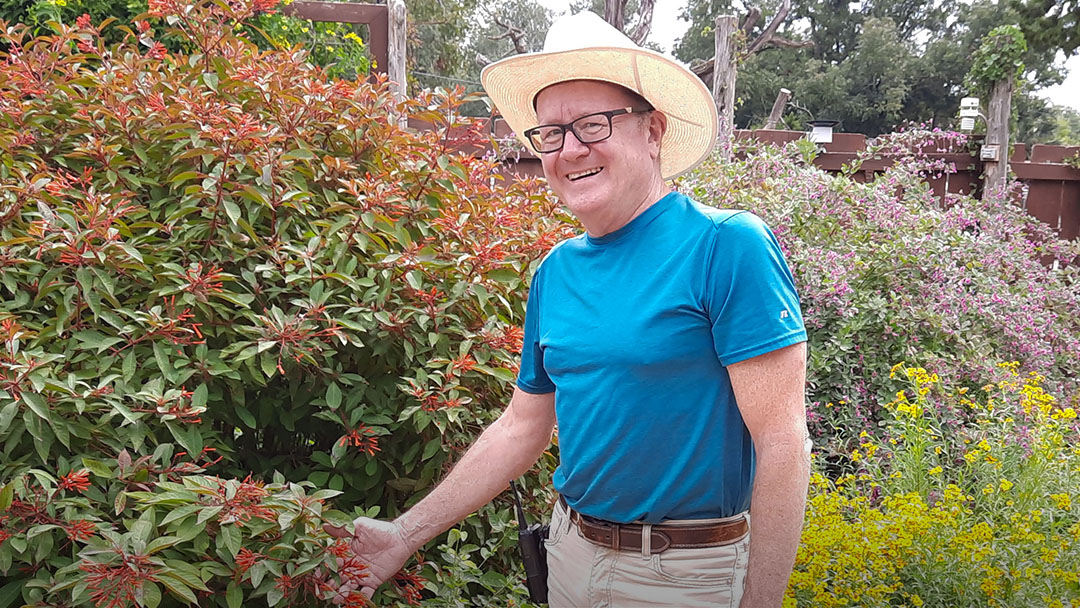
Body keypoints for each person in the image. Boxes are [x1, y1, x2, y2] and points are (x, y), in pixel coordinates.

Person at [326, 11, 810, 607]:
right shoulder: (555, 271)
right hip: (569, 555)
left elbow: (784, 440)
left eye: (593, 124)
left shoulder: (726, 246)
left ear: (652, 130)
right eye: (551, 133)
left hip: (685, 577)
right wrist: (403, 535)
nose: (570, 148)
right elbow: (520, 426)